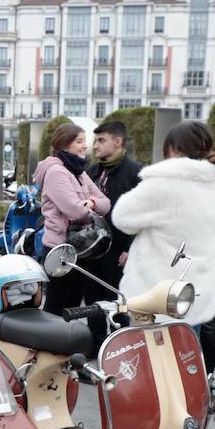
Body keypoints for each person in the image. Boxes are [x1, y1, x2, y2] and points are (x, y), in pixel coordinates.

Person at [110, 121, 215, 371]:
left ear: (173, 149)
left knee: (147, 368)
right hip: (195, 290)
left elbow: (121, 217)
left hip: (157, 291)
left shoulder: (165, 182)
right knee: (186, 360)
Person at [32, 123, 110, 317]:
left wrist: (90, 203)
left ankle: (63, 347)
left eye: (85, 141)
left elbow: (106, 203)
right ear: (64, 144)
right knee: (56, 308)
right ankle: (45, 346)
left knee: (73, 308)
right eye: (79, 141)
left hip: (81, 249)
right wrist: (91, 207)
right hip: (60, 250)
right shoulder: (56, 172)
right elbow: (76, 212)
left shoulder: (79, 172)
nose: (85, 146)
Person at [84, 121, 143, 308]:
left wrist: (131, 247)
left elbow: (143, 213)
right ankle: (95, 338)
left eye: (101, 140)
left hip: (118, 252)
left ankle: (119, 338)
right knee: (92, 304)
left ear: (118, 142)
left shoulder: (136, 173)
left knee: (118, 306)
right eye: (95, 140)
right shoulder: (91, 172)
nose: (95, 145)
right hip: (90, 249)